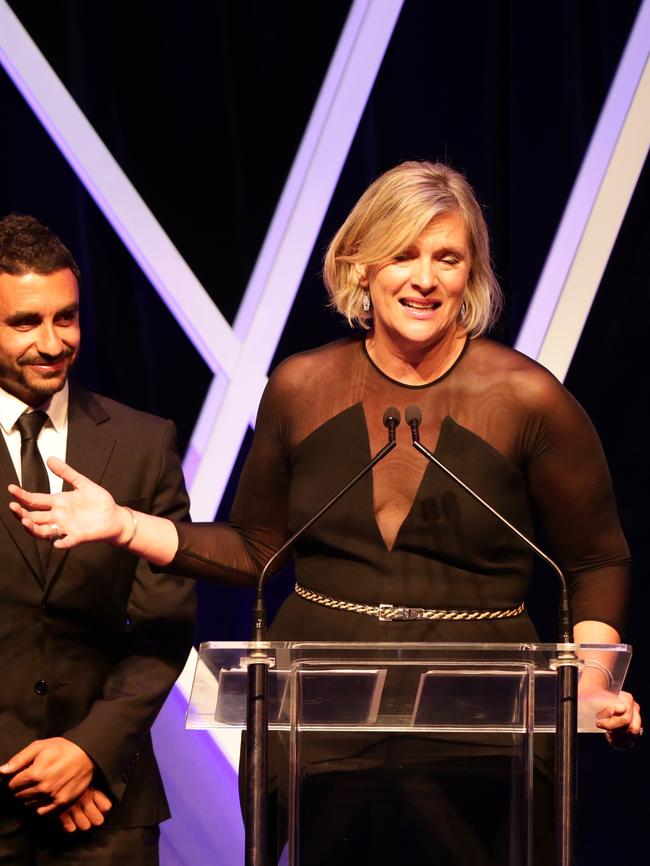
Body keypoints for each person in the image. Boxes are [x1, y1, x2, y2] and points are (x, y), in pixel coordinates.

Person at [8, 164, 641, 863]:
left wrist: (593, 676)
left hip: (486, 717)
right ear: (360, 266)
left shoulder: (528, 398)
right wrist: (127, 525)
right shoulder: (301, 385)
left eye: (447, 258)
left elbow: (594, 558)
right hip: (313, 714)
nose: (424, 278)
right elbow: (256, 549)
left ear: (472, 276)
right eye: (402, 254)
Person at [0, 214, 195, 864]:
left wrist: (89, 750)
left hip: (109, 809)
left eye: (67, 318)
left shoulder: (143, 443)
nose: (53, 342)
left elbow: (167, 623)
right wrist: (29, 769)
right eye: (25, 322)